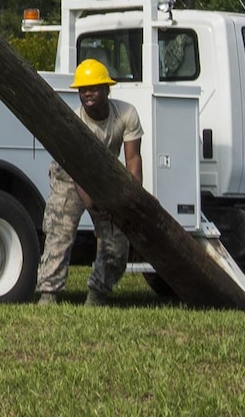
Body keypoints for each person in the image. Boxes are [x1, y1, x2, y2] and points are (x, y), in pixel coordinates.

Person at [36, 58, 144, 306]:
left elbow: (133, 159)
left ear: (107, 89)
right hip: (70, 176)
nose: (87, 94)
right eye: (83, 90)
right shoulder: (75, 123)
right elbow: (77, 173)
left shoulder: (126, 114)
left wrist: (132, 200)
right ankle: (48, 295)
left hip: (107, 175)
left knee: (117, 242)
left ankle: (97, 296)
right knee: (59, 233)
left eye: (93, 88)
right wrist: (91, 204)